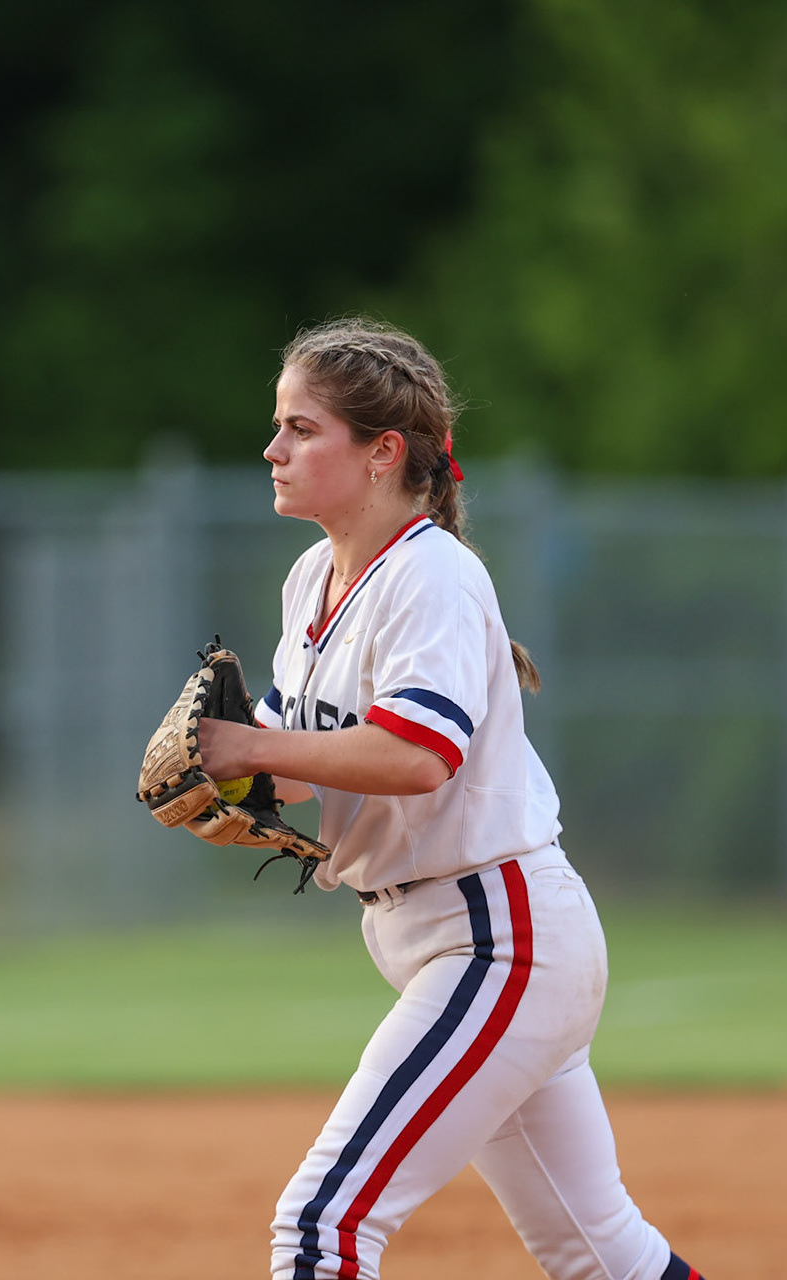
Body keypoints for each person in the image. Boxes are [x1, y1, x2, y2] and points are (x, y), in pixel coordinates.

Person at [196, 319, 706, 1280]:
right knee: (601, 1254)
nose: (273, 449)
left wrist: (249, 745)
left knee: (322, 1226)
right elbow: (306, 761)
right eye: (280, 427)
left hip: (496, 936)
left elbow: (421, 753)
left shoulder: (430, 573)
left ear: (383, 452)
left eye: (301, 429)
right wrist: (232, 773)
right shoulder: (314, 576)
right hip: (460, 938)